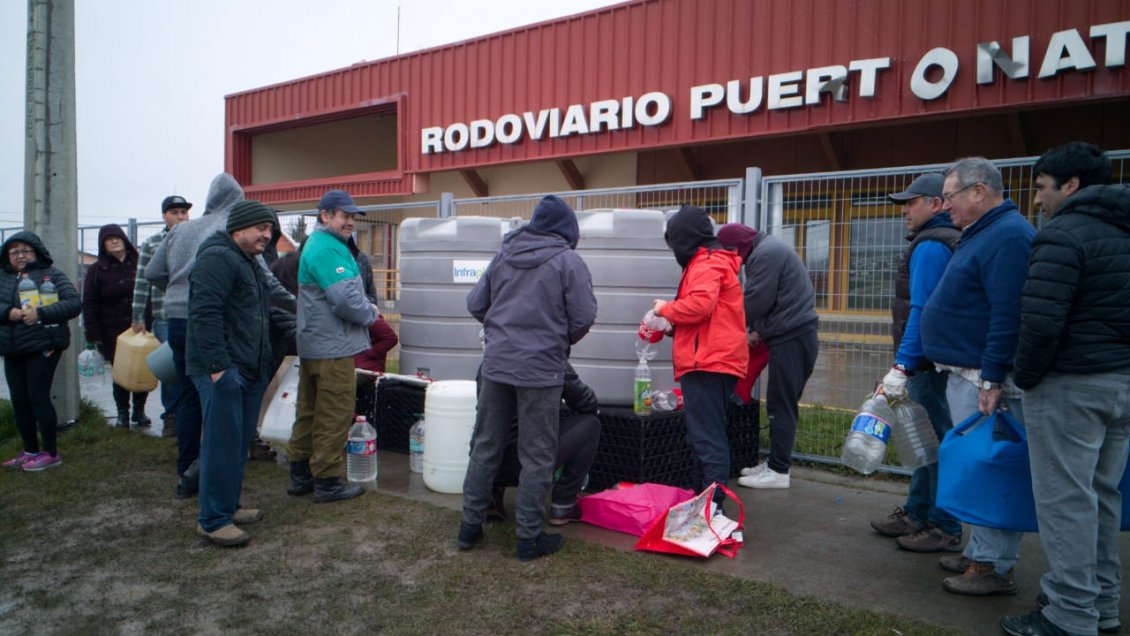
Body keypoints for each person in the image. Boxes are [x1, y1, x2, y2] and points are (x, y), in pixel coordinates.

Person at [1000, 143, 1128, 636]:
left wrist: (1027, 378)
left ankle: (1070, 615)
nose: (1036, 201)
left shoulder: (1063, 235)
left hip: (1070, 386)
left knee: (1066, 502)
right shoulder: (1123, 232)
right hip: (1121, 383)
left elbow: (1040, 323)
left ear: (1071, 186)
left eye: (1041, 188)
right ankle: (1104, 607)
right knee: (1101, 495)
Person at [919, 157, 1035, 597]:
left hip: (984, 380)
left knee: (992, 471)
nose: (945, 206)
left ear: (979, 192)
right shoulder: (985, 233)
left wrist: (991, 377)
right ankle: (982, 552)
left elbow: (1008, 312)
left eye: (950, 197)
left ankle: (992, 565)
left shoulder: (1007, 236)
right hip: (967, 374)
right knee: (978, 468)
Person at [457, 194, 597, 562]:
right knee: (537, 454)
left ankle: (469, 527)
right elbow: (583, 317)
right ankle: (529, 538)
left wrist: (502, 332)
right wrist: (555, 340)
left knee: (485, 444)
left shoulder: (504, 255)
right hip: (541, 371)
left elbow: (475, 304)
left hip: (497, 366)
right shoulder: (568, 261)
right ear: (567, 231)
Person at [146, 173, 294, 499]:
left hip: (178, 321)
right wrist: (298, 307)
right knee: (222, 408)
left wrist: (176, 294)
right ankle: (209, 479)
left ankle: (187, 468)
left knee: (187, 397)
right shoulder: (233, 229)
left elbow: (153, 272)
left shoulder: (182, 229)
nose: (266, 234)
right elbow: (263, 282)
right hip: (216, 323)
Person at [870, 174, 963, 553]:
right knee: (925, 442)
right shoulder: (939, 241)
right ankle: (918, 512)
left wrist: (903, 365)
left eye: (913, 202)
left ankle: (944, 525)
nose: (905, 210)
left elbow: (921, 311)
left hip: (929, 364)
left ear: (938, 204)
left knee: (936, 442)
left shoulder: (930, 247)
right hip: (932, 362)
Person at [186, 200, 277, 547]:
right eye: (260, 228)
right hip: (222, 369)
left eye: (269, 229)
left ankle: (228, 505)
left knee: (237, 443)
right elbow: (204, 315)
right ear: (238, 229)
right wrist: (218, 368)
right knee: (221, 443)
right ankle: (212, 520)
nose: (267, 235)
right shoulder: (216, 258)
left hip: (248, 366)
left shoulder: (247, 260)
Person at [285, 189, 377, 504]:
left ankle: (300, 475)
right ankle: (326, 480)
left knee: (308, 410)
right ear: (325, 216)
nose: (350, 222)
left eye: (353, 217)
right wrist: (372, 313)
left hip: (314, 343)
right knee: (334, 413)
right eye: (344, 216)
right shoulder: (328, 248)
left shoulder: (321, 244)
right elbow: (346, 301)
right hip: (333, 347)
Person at [654, 206, 748, 507]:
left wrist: (663, 309)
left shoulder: (705, 264)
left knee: (707, 439)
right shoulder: (710, 261)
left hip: (708, 363)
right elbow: (709, 316)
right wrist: (673, 328)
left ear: (685, 239)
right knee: (703, 436)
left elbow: (700, 307)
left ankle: (711, 508)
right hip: (712, 359)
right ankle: (702, 502)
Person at [716, 222, 817, 490]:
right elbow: (774, 300)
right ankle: (775, 463)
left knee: (780, 404)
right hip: (792, 334)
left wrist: (725, 329)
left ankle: (778, 471)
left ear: (734, 249)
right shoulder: (769, 249)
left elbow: (755, 301)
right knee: (780, 401)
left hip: (792, 337)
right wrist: (758, 331)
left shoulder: (765, 254)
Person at [0, 232, 82, 471]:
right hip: (12, 348)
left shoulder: (52, 275)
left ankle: (51, 452)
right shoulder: (3, 276)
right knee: (19, 400)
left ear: (37, 252)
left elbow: (73, 303)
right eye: (14, 251)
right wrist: (8, 312)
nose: (20, 255)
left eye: (25, 250)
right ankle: (30, 450)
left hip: (42, 345)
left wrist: (41, 313)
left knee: (38, 397)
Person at [486, 363, 600, 524]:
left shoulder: (491, 360)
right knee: (590, 425)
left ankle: (489, 497)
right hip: (530, 461)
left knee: (499, 425)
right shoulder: (548, 357)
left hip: (487, 460)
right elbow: (586, 403)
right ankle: (563, 504)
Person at [130, 194, 191, 437]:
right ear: (164, 216)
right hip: (165, 315)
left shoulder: (197, 238)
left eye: (183, 212)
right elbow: (142, 280)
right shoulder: (153, 243)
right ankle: (171, 416)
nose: (180, 217)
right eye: (174, 212)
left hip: (194, 314)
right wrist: (137, 316)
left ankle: (191, 415)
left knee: (194, 367)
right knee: (171, 369)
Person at [83, 224, 151, 428]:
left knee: (142, 370)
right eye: (108, 239)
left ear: (125, 240)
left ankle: (139, 411)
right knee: (121, 372)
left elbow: (152, 293)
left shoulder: (140, 263)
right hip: (111, 330)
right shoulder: (96, 270)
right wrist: (92, 332)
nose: (114, 241)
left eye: (117, 237)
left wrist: (150, 320)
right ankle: (123, 413)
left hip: (141, 328)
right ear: (103, 245)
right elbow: (89, 302)